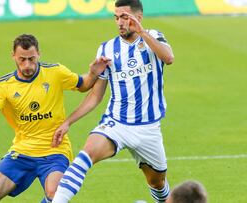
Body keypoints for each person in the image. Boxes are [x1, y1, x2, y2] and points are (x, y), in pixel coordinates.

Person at [51, 0, 174, 202]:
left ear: (138, 17)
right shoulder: (107, 49)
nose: (120, 22)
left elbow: (168, 58)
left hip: (148, 128)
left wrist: (143, 33)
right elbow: (95, 96)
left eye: (125, 17)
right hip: (117, 123)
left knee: (157, 182)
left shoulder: (154, 37)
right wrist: (68, 122)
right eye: (116, 17)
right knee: (86, 154)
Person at [0, 34, 110, 203]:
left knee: (55, 195)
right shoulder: (2, 85)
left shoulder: (55, 72)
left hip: (55, 151)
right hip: (22, 151)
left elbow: (84, 85)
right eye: (22, 59)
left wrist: (93, 73)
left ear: (39, 54)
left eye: (31, 59)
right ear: (13, 56)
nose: (27, 65)